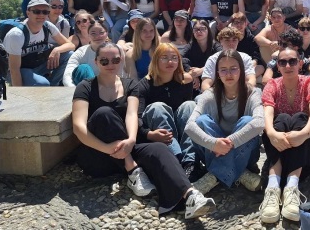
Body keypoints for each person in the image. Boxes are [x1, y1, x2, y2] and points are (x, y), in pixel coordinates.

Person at [71, 42, 216, 219]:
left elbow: (132, 115)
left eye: (115, 60)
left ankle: (190, 196)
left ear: (122, 60)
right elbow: (79, 127)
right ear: (96, 62)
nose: (111, 64)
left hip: (127, 146)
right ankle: (131, 169)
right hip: (98, 155)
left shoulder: (130, 85)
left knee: (160, 148)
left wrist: (131, 140)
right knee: (104, 114)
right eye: (104, 61)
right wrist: (108, 148)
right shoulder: (86, 87)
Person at [260, 47, 310, 223]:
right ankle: (273, 188)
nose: (288, 65)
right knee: (280, 118)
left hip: (308, 142)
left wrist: (303, 134)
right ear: (278, 67)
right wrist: (272, 133)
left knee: (299, 117)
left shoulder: (309, 82)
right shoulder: (272, 85)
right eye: (283, 62)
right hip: (279, 144)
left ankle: (291, 188)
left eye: (292, 61)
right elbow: (267, 114)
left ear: (300, 63)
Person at [185, 49, 264, 194]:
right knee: (202, 121)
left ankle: (215, 175)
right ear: (217, 74)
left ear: (241, 70)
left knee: (248, 121)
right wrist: (214, 143)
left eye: (233, 69)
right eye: (223, 70)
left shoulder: (252, 92)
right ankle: (240, 173)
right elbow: (189, 126)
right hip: (214, 149)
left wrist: (229, 143)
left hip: (245, 151)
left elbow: (259, 123)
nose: (228, 74)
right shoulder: (209, 95)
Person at [137, 43, 196, 175]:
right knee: (157, 107)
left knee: (190, 105)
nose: (170, 61)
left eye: (174, 58)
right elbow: (136, 117)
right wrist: (148, 133)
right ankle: (175, 158)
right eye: (164, 57)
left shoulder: (185, 80)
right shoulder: (144, 85)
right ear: (156, 60)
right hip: (157, 130)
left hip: (179, 127)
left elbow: (185, 115)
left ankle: (190, 161)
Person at [3, 0, 74, 86]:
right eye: (36, 11)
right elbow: (14, 70)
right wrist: (19, 95)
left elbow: (70, 45)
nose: (41, 15)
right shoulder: (17, 35)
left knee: (70, 54)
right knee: (42, 84)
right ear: (28, 13)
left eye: (45, 12)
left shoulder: (47, 26)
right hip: (20, 69)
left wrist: (57, 50)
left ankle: (52, 86)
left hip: (37, 64)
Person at [63, 21, 123, 87]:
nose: (97, 36)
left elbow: (123, 72)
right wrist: (75, 90)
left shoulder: (117, 50)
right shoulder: (81, 52)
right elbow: (68, 74)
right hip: (89, 90)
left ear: (107, 34)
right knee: (83, 68)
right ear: (88, 35)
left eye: (101, 33)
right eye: (93, 33)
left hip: (114, 86)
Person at [182, 20, 222, 93]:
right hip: (195, 82)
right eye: (196, 29)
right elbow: (182, 59)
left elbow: (221, 59)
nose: (199, 31)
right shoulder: (190, 46)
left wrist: (201, 71)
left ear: (208, 31)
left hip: (212, 79)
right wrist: (193, 74)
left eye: (202, 29)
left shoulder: (216, 46)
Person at [230, 12, 266, 78]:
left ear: (246, 24)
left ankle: (243, 80)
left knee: (260, 68)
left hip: (248, 66)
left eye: (241, 22)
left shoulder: (251, 39)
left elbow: (256, 57)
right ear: (231, 25)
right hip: (233, 66)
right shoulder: (228, 39)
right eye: (236, 23)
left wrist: (250, 64)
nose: (239, 25)